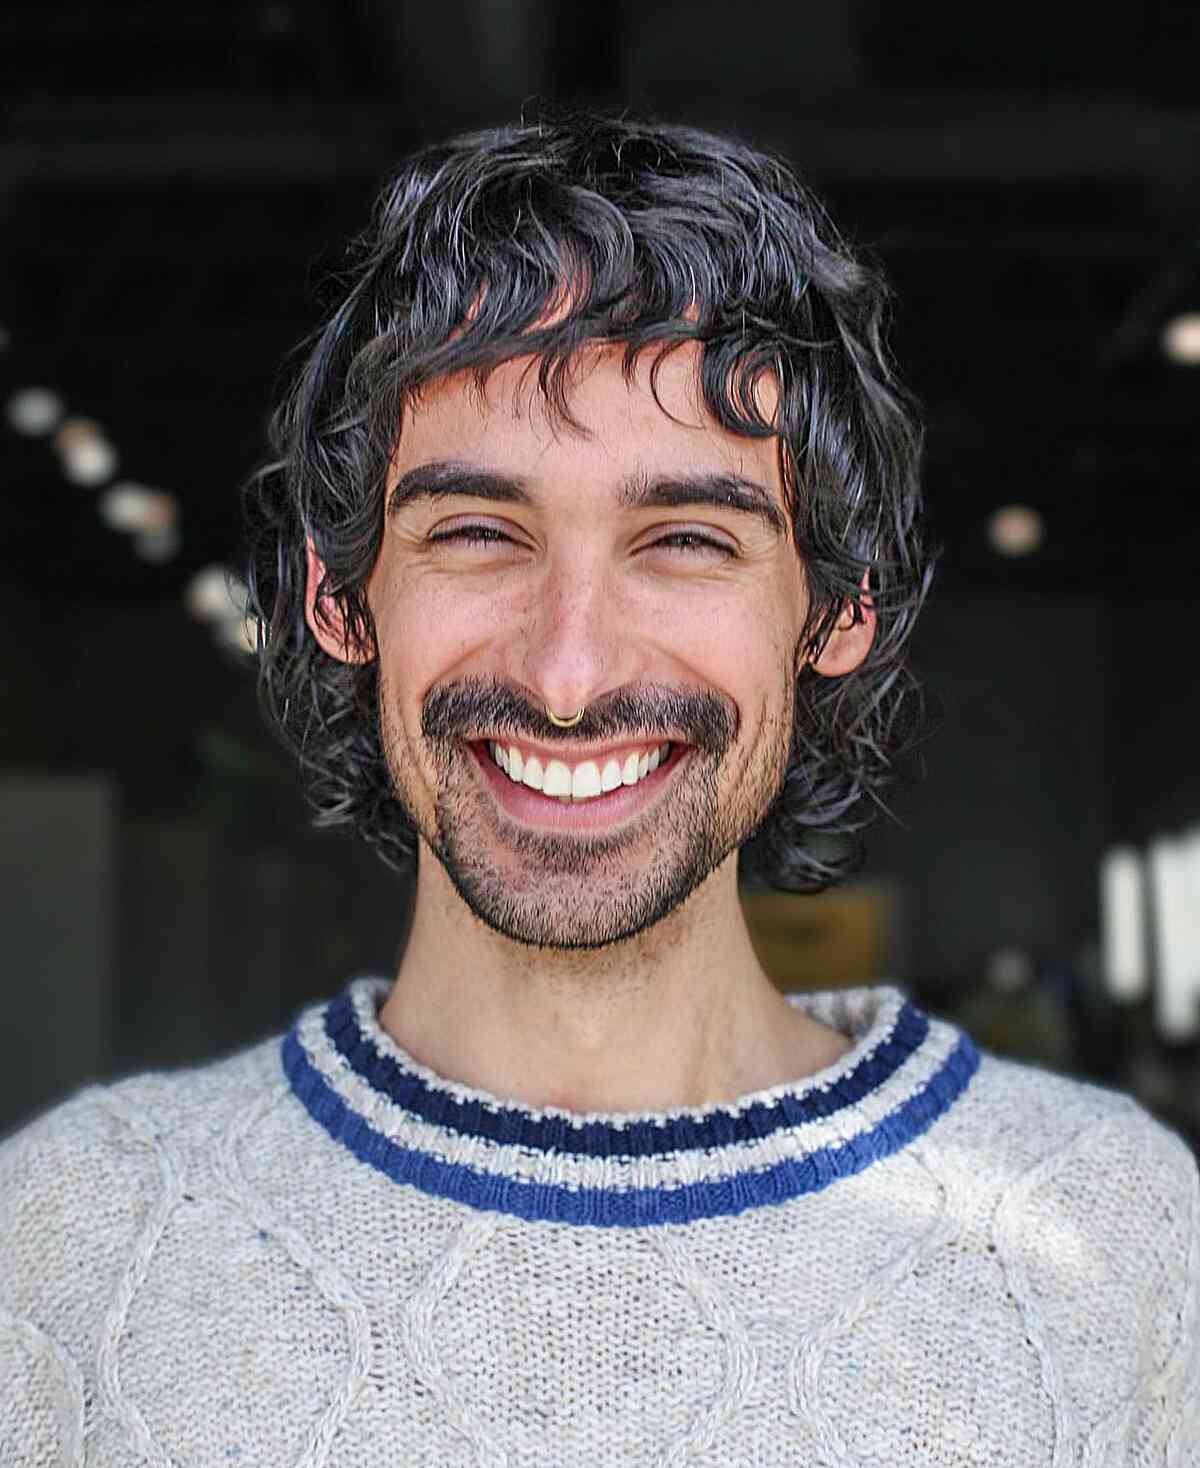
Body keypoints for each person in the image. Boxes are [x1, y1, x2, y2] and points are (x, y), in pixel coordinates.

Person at [2, 111, 1196, 1466]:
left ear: (838, 612)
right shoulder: (71, 1248)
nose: (568, 674)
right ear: (340, 601)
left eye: (685, 539)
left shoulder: (1114, 1240)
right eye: (473, 533)